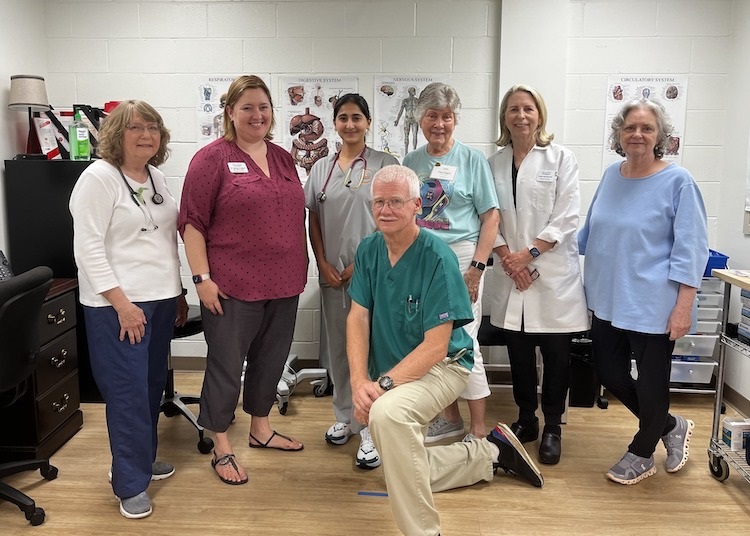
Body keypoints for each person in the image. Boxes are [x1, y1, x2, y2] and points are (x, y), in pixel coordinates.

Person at [347, 165, 542, 536]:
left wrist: (381, 387)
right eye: (378, 203)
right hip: (394, 369)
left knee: (387, 417)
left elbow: (436, 347)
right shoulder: (370, 250)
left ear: (418, 205)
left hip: (445, 366)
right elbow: (358, 317)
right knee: (402, 470)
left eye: (396, 202)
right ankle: (490, 453)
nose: (385, 211)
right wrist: (359, 381)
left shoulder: (437, 257)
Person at [179, 75, 308, 486]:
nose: (257, 115)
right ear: (230, 113)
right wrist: (201, 278)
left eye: (264, 107)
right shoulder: (211, 158)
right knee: (226, 365)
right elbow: (192, 224)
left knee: (271, 361)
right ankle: (220, 442)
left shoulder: (284, 157)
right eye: (248, 107)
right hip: (232, 285)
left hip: (285, 283)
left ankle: (260, 427)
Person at [578, 98, 709, 485]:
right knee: (610, 372)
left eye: (646, 128)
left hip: (654, 303)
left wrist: (683, 307)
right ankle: (670, 424)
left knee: (652, 383)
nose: (637, 134)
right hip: (608, 300)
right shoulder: (610, 175)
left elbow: (692, 249)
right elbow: (589, 236)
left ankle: (642, 451)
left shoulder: (678, 181)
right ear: (619, 134)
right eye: (630, 127)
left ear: (660, 137)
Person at [69, 100, 188, 519]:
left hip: (158, 301)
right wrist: (122, 304)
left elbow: (163, 241)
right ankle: (129, 483)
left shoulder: (156, 175)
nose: (146, 134)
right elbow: (86, 249)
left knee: (153, 386)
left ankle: (140, 459)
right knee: (128, 393)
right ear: (116, 134)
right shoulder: (98, 178)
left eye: (153, 127)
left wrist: (177, 292)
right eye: (136, 127)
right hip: (117, 306)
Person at [487, 85, 589, 465]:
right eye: (513, 109)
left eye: (528, 108)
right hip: (512, 273)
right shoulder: (493, 163)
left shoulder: (561, 158)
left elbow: (567, 215)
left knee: (556, 355)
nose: (521, 115)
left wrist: (527, 255)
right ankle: (527, 419)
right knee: (519, 354)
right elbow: (487, 215)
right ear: (504, 118)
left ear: (539, 115)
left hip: (548, 272)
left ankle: (553, 426)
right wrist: (508, 259)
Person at [304, 94, 398, 469]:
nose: (349, 124)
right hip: (332, 277)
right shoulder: (321, 168)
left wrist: (359, 265)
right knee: (341, 350)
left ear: (368, 121)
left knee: (373, 351)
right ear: (334, 123)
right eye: (342, 118)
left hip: (373, 274)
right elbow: (312, 217)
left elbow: (393, 218)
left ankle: (372, 429)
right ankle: (345, 416)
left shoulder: (384, 165)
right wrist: (322, 262)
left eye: (357, 117)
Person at [402, 82, 500, 442]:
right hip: (422, 256)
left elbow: (491, 218)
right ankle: (451, 417)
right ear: (420, 118)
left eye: (446, 116)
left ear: (455, 119)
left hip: (461, 257)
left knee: (463, 340)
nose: (439, 123)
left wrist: (476, 268)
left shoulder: (472, 160)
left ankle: (478, 428)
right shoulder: (412, 162)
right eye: (432, 115)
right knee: (428, 340)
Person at [394, 86, 419, 155]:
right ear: (410, 92)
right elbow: (401, 111)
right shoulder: (405, 101)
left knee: (414, 135)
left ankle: (414, 151)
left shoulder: (417, 101)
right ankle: (406, 152)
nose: (414, 92)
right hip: (407, 119)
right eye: (413, 91)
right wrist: (397, 120)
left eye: (414, 91)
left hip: (415, 119)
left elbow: (421, 111)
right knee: (406, 136)